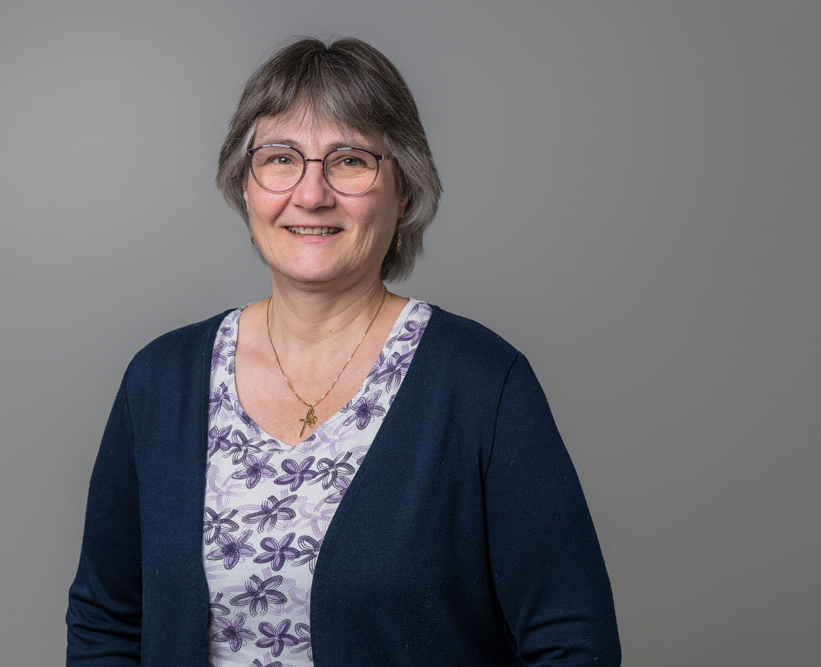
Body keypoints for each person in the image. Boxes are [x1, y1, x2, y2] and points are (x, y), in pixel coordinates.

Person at [66, 37, 621, 666]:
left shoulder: (482, 386)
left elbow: (574, 643)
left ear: (403, 190)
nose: (311, 194)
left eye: (350, 161)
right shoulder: (161, 382)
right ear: (245, 186)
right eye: (280, 159)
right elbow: (106, 621)